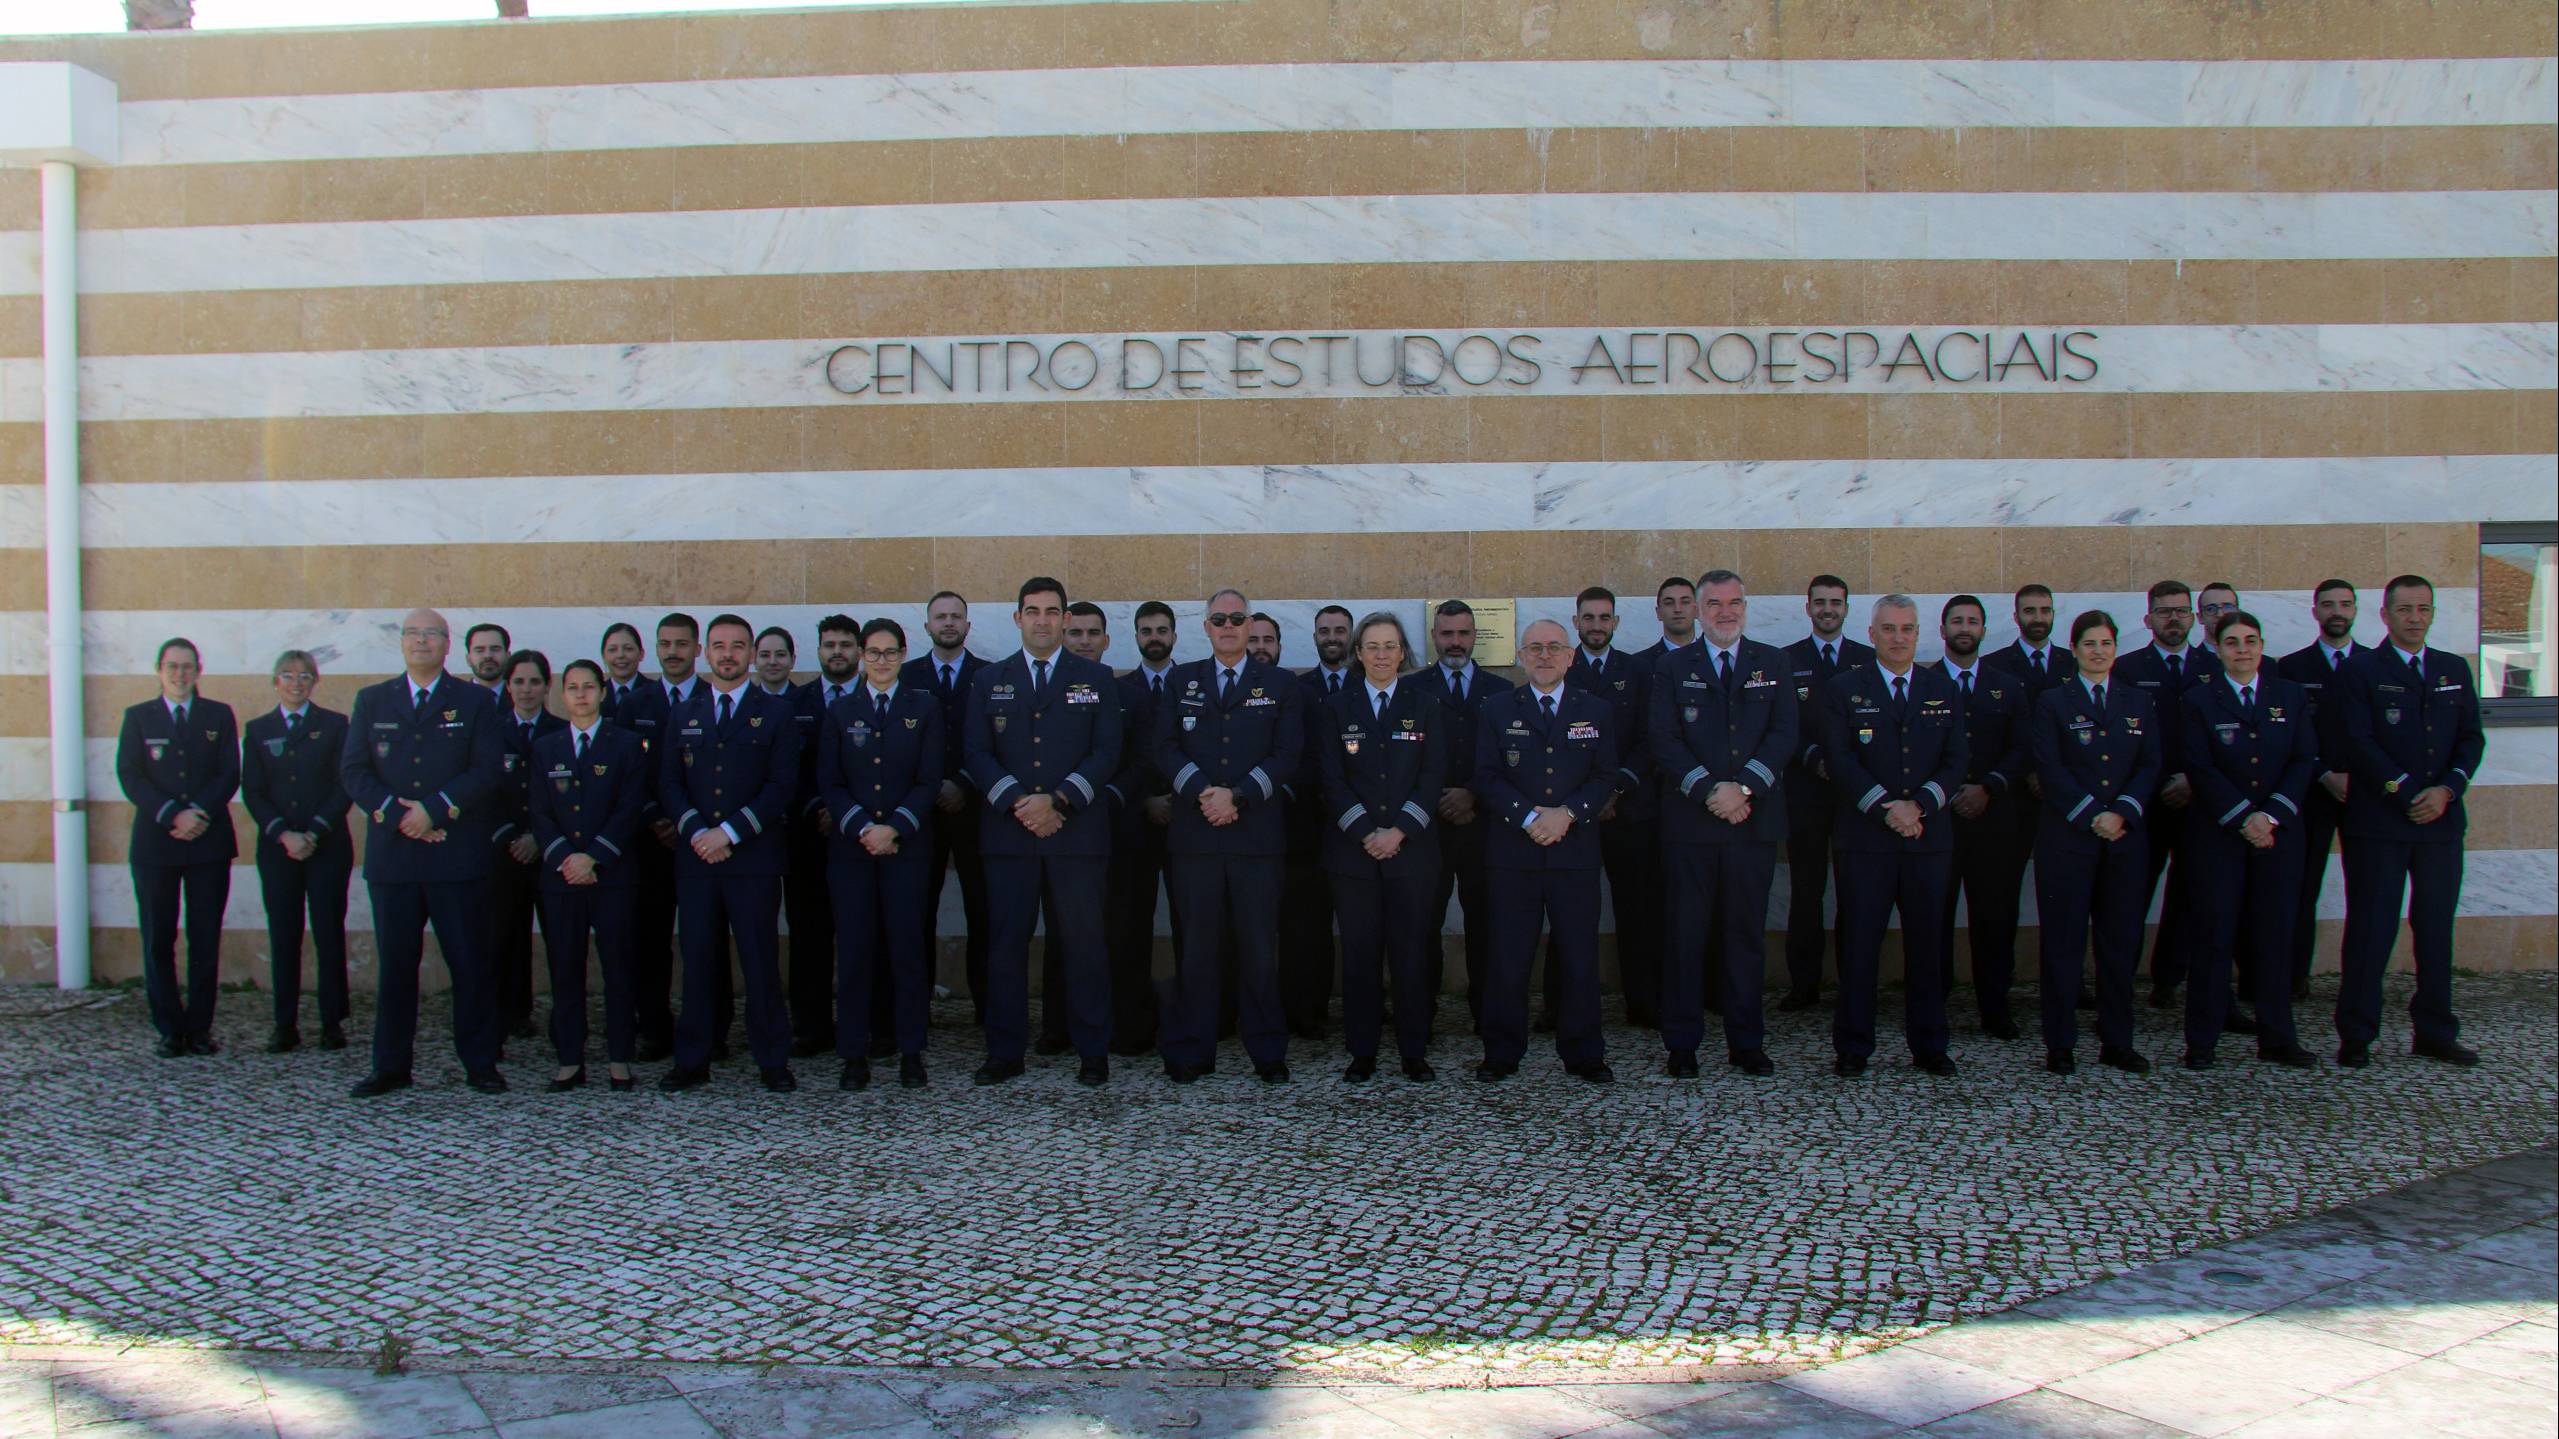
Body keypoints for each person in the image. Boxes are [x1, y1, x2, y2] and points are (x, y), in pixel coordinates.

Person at [339, 608, 508, 1096]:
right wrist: (399, 815)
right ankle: (390, 1066)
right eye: (412, 634)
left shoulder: (475, 701)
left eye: (430, 634)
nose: (420, 642)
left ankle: (480, 1063)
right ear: (402, 642)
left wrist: (434, 811)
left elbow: (487, 769)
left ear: (446, 644)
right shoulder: (373, 700)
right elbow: (354, 772)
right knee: (395, 967)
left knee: (469, 964)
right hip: (394, 858)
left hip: (455, 857)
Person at [965, 577, 1122, 1086]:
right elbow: (976, 752)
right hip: (1010, 836)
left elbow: (1107, 752)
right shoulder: (990, 679)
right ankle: (1005, 1051)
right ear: (1018, 618)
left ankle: (1093, 1052)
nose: (1042, 620)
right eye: (1032, 611)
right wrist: (1020, 801)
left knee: (1084, 946)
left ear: (1064, 619)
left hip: (1076, 835)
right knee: (1006, 948)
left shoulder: (1096, 678)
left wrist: (1058, 801)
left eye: (1052, 611)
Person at [2333, 574, 2486, 1069]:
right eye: (2405, 610)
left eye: (2423, 609)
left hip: (2440, 822)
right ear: (2385, 615)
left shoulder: (2452, 668)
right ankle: (2357, 1034)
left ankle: (2435, 1032)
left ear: (2433, 613)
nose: (2415, 618)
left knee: (2436, 929)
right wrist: (2404, 791)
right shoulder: (2360, 670)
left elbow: (2471, 739)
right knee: (2371, 930)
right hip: (2379, 823)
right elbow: (2357, 740)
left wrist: (2447, 790)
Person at [1155, 588, 1306, 1083]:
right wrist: (1204, 792)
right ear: (1206, 627)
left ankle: (1267, 1050)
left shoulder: (1281, 684)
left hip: (1256, 840)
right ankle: (1195, 1049)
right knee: (1198, 950)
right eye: (1218, 619)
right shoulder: (1181, 679)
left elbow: (1287, 754)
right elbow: (1165, 747)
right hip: (1196, 838)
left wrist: (1237, 796)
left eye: (1236, 618)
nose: (1228, 626)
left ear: (1249, 625)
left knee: (1259, 949)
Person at [1650, 570, 1796, 1078]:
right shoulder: (1672, 667)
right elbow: (1664, 738)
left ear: (1745, 608)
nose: (1725, 612)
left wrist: (1744, 788)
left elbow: (1784, 734)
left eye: (1734, 602)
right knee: (1684, 936)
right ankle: (1682, 1044)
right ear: (1698, 610)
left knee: (1745, 936)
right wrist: (1711, 790)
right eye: (1714, 603)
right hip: (1692, 825)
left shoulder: (1773, 663)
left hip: (1752, 823)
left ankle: (1746, 1043)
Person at [1816, 596, 1965, 1077]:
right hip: (1866, 840)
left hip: (1926, 837)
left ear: (1919, 634)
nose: (1898, 637)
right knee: (1860, 945)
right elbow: (1840, 759)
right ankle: (1853, 1046)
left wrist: (1918, 805)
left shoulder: (1942, 688)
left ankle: (1930, 1045)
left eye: (1907, 628)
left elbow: (1957, 760)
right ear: (1872, 633)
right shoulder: (1844, 689)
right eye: (1889, 628)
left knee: (1928, 945)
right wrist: (1887, 807)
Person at [656, 613, 805, 1093]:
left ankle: (773, 1060)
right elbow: (669, 782)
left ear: (751, 653)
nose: (727, 654)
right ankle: (693, 1059)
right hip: (697, 858)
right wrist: (699, 831)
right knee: (699, 961)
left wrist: (730, 833)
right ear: (705, 652)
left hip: (753, 860)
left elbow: (781, 786)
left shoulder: (777, 713)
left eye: (737, 646)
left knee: (760, 962)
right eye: (719, 646)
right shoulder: (684, 713)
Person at [1472, 620, 1619, 1083]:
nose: (1544, 655)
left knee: (1578, 957)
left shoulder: (1596, 710)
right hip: (1514, 855)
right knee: (1508, 958)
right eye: (1535, 647)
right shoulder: (1497, 708)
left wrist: (1567, 814)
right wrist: (1528, 817)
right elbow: (1487, 775)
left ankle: (1584, 1052)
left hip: (1574, 852)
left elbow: (1605, 775)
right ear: (1520, 657)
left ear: (1571, 656)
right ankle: (1501, 1052)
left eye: (1554, 647)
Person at [2177, 611, 2320, 1070]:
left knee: (2274, 937)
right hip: (2219, 836)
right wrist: (2243, 817)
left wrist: (2271, 815)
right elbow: (2200, 765)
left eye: (2251, 640)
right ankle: (2203, 1040)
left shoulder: (2289, 695)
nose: (2243, 649)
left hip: (2276, 836)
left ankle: (2277, 1036)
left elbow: (2303, 759)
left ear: (2262, 646)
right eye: (2233, 642)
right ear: (2218, 650)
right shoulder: (2199, 700)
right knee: (2214, 938)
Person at [2028, 610, 2162, 1075]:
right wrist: (2092, 815)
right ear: (2075, 649)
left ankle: (2117, 1041)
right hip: (2068, 840)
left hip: (2124, 839)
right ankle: (2060, 1043)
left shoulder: (2138, 701)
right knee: (2063, 944)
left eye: (2106, 643)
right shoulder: (2053, 702)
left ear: (2116, 648)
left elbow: (2150, 763)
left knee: (2119, 945)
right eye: (2089, 643)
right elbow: (2050, 767)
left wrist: (2121, 811)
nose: (2098, 651)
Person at [1318, 612, 1447, 1082]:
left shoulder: (1426, 705)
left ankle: (1414, 1050)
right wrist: (1365, 833)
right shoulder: (1336, 707)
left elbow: (1432, 776)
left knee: (1411, 954)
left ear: (1403, 652)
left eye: (1390, 646)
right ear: (1358, 653)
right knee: (1360, 955)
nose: (1381, 655)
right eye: (1371, 646)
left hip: (1411, 853)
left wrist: (1399, 831)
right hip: (1353, 856)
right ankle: (1363, 1051)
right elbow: (1330, 779)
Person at [817, 617, 944, 1090]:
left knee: (907, 952)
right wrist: (863, 828)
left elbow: (929, 780)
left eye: (890, 652)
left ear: (903, 654)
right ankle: (854, 1054)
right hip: (852, 852)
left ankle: (911, 1052)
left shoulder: (923, 707)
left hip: (906, 849)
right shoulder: (840, 710)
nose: (882, 660)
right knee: (854, 954)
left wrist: (894, 828)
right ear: (860, 656)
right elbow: (829, 782)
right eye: (873, 652)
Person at [527, 659, 649, 1092]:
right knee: (565, 968)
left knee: (619, 967)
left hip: (611, 875)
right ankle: (569, 1059)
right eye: (573, 688)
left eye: (589, 687)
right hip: (562, 878)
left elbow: (630, 806)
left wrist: (594, 857)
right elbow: (539, 811)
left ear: (602, 691)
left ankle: (619, 1058)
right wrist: (567, 858)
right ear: (562, 695)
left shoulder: (627, 744)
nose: (581, 695)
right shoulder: (546, 747)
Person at [118, 637, 240, 1059]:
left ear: (198, 671)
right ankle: (169, 1028)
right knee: (158, 937)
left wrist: (197, 813)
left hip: (208, 841)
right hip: (156, 844)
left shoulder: (218, 715)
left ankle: (200, 1028)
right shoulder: (138, 717)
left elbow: (229, 772)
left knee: (205, 937)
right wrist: (173, 814)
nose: (180, 674)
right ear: (159, 670)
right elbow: (130, 775)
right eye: (172, 666)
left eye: (187, 666)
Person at [2113, 580, 2221, 1010]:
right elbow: (2123, 742)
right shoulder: (2127, 668)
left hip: (2201, 799)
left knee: (2191, 894)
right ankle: (2119, 987)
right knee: (2131, 895)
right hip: (2146, 802)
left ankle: (2170, 978)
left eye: (2180, 611)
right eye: (2163, 611)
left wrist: (2194, 780)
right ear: (2148, 619)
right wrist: (2156, 783)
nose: (2173, 619)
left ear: (2193, 618)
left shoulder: (2214, 666)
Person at [240, 649, 353, 1053]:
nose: (296, 683)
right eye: (287, 675)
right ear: (275, 682)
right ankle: (284, 1023)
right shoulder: (258, 730)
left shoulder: (335, 725)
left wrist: (314, 831)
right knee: (284, 935)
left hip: (327, 845)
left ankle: (332, 1022)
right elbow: (253, 790)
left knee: (328, 932)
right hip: (278, 849)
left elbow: (345, 784)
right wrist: (284, 834)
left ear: (315, 682)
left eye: (305, 676)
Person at [1930, 597, 2031, 1039]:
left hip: (1994, 818)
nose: (1964, 628)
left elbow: (2023, 747)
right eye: (1957, 621)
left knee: (1995, 915)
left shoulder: (2007, 686)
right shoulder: (1923, 682)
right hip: (1939, 817)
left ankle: (1995, 1006)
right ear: (1943, 629)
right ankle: (1933, 1003)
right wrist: (1948, 790)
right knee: (1934, 914)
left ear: (1984, 631)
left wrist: (1988, 786)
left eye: (1973, 621)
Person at [1562, 586, 1659, 1028]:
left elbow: (1649, 738)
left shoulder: (1637, 671)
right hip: (1573, 814)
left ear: (1616, 622)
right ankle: (1561, 1006)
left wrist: (1616, 790)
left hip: (1628, 810)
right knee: (1569, 912)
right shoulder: (1562, 669)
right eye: (1589, 617)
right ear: (1576, 622)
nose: (1596, 625)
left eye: (1604, 617)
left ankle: (1643, 1002)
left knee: (1637, 910)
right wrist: (1584, 800)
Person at [1781, 574, 1875, 1011]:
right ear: (1808, 608)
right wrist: (1813, 756)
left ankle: (1854, 984)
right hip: (1806, 792)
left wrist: (1843, 765)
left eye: (1835, 602)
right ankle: (1804, 986)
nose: (1827, 609)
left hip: (1855, 795)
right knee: (1806, 892)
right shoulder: (1787, 660)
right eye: (1820, 602)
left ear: (1846, 608)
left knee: (1856, 892)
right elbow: (1782, 725)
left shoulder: (1867, 660)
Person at [1418, 600, 1512, 1020]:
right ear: (1434, 637)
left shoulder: (1501, 691)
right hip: (1429, 827)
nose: (1455, 642)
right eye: (1446, 633)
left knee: (1487, 922)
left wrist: (1472, 794)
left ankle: (1487, 1014)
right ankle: (1421, 1013)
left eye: (1463, 633)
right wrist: (1440, 798)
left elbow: (1509, 757)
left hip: (1484, 825)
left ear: (1475, 636)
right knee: (1423, 923)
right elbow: (1408, 760)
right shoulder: (1413, 689)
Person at [2275, 579, 2368, 1001]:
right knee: (2302, 888)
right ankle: (2294, 976)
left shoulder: (2375, 664)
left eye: (2345, 604)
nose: (2337, 612)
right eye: (2328, 605)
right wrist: (2323, 772)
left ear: (2356, 610)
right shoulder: (2292, 668)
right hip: (2312, 791)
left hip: (2365, 792)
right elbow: (2290, 735)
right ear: (2315, 612)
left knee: (2367, 892)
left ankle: (2360, 981)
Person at [904, 591, 994, 1028]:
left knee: (984, 910)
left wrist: (962, 783)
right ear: (927, 626)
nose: (948, 623)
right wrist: (932, 787)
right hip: (921, 813)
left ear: (968, 625)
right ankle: (914, 1008)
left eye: (956, 616)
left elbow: (997, 743)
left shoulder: (989, 675)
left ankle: (987, 1009)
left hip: (976, 809)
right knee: (917, 910)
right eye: (940, 617)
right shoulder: (907, 676)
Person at [1039, 601, 1119, 1054]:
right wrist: (1045, 805)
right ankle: (1056, 1027)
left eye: (1093, 634)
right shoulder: (1044, 688)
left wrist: (1075, 796)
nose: (1085, 641)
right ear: (1064, 635)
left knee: (1095, 936)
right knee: (1056, 936)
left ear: (1107, 640)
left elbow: (1120, 754)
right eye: (1077, 633)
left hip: (1097, 825)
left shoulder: (1113, 687)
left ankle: (1102, 1034)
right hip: (1045, 825)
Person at [1106, 600, 1180, 1055]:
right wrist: (1145, 801)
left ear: (1174, 635)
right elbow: (1118, 757)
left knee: (1194, 927)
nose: (1155, 637)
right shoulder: (1119, 690)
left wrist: (1175, 800)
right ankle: (1133, 1026)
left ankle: (1197, 1022)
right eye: (1146, 630)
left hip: (1188, 822)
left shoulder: (1193, 684)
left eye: (1162, 630)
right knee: (1130, 928)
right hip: (1132, 828)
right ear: (1135, 637)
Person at [798, 615, 870, 1057]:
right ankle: (812, 1026)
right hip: (810, 834)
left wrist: (848, 815)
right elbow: (787, 768)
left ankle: (869, 1025)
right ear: (819, 650)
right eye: (830, 645)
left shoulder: (876, 698)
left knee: (865, 935)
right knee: (810, 933)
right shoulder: (797, 701)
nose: (837, 652)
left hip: (863, 834)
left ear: (859, 651)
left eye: (846, 644)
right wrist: (818, 809)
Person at [1284, 605, 1355, 1039]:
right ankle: (1310, 1009)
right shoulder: (1297, 689)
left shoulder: (1370, 684)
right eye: (1324, 631)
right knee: (1308, 924)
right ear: (1314, 637)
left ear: (1351, 636)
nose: (1332, 637)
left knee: (1363, 923)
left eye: (1340, 630)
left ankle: (1366, 1008)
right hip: (1309, 826)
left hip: (1364, 825)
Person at [489, 649, 564, 1045]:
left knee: (560, 939)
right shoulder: (491, 732)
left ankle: (564, 1021)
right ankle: (512, 1015)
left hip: (551, 853)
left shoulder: (562, 731)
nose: (526, 689)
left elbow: (567, 798)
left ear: (547, 686)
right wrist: (510, 837)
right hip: (506, 854)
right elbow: (485, 792)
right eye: (518, 681)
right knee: (507, 938)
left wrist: (539, 837)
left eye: (535, 681)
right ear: (507, 686)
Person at [462, 622, 512, 699]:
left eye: (495, 649)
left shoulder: (522, 699)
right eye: (480, 650)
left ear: (508, 656)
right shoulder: (454, 700)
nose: (488, 656)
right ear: (468, 659)